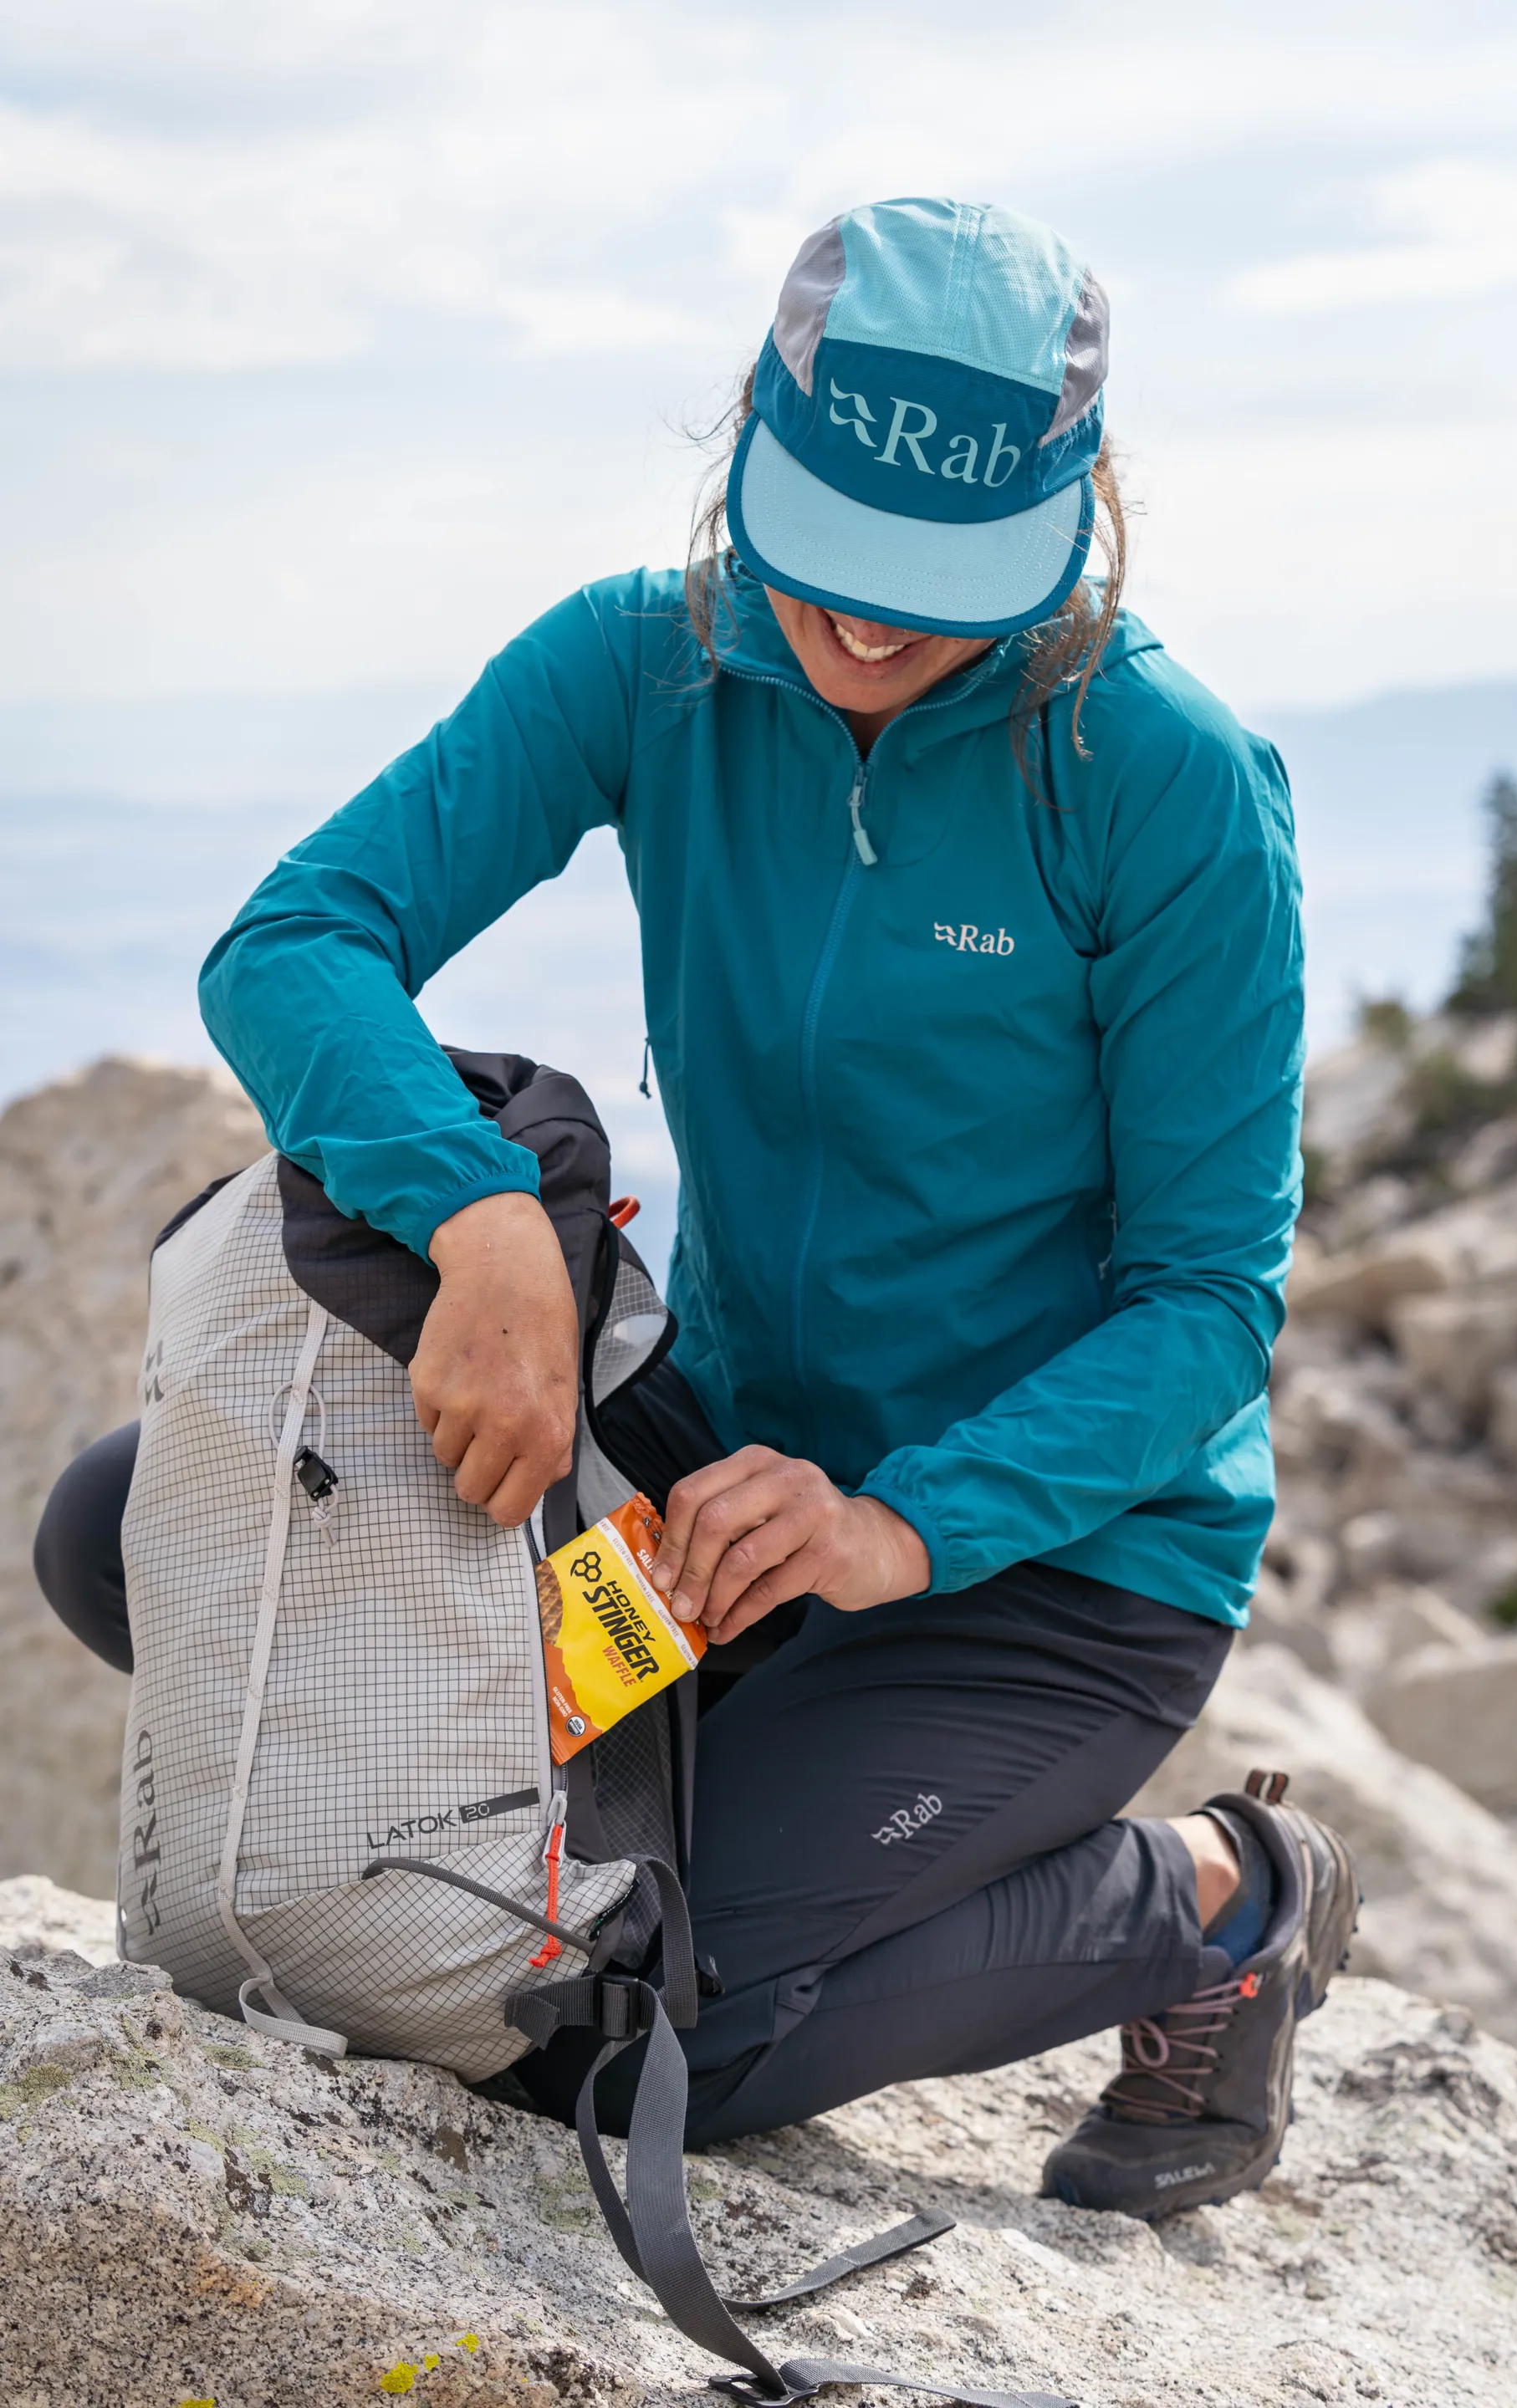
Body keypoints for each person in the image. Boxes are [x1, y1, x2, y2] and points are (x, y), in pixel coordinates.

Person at [35, 196, 1356, 2219]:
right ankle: (705, 1798)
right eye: (833, 551)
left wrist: (898, 1525)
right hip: (713, 1474)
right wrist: (481, 1219)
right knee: (129, 1532)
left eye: (941, 581)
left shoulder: (1165, 777)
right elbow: (297, 942)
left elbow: (1206, 1309)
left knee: (624, 2038)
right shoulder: (645, 661)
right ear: (752, 443)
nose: (873, 630)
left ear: (1074, 516)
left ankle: (1217, 1901)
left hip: (1049, 1569)